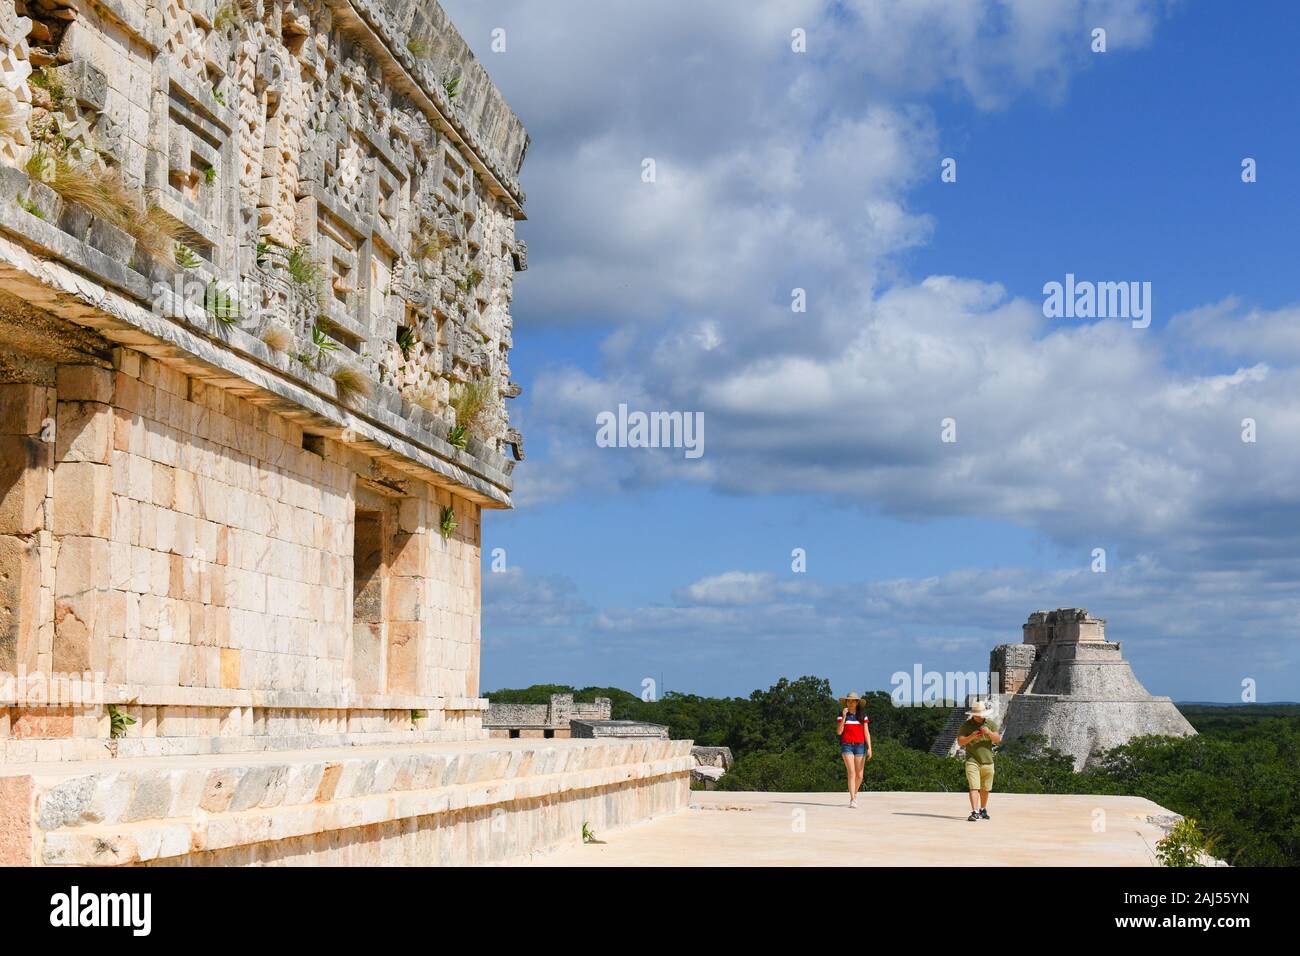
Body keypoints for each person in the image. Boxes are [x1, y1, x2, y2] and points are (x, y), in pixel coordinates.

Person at [955, 699, 1001, 821]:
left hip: (988, 761)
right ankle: (974, 811)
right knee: (974, 787)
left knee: (985, 789)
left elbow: (997, 739)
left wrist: (989, 732)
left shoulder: (990, 724)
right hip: (972, 760)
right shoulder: (966, 726)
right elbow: (960, 742)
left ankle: (983, 809)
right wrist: (972, 736)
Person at [835, 691, 872, 808]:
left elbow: (866, 732)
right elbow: (839, 732)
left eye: (853, 701)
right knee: (851, 772)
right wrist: (844, 717)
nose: (850, 703)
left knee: (860, 775)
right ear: (846, 702)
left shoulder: (862, 716)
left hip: (860, 746)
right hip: (847, 745)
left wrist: (870, 747)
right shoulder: (842, 715)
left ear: (857, 702)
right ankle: (852, 799)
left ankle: (854, 794)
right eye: (848, 701)